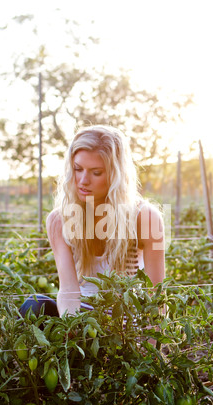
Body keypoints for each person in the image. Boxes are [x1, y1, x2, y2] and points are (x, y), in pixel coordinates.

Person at [19, 125, 165, 319]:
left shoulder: (144, 217)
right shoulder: (59, 220)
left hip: (126, 328)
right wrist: (71, 330)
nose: (83, 180)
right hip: (83, 320)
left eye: (96, 173)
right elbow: (68, 290)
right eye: (78, 169)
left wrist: (152, 348)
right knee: (33, 305)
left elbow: (156, 297)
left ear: (116, 175)